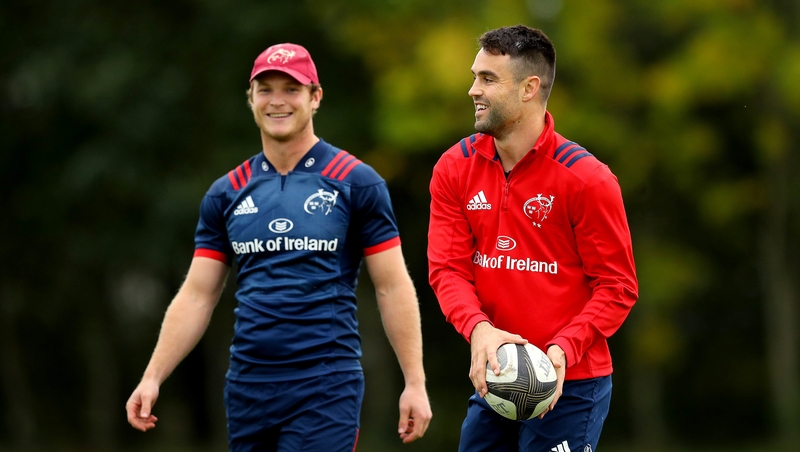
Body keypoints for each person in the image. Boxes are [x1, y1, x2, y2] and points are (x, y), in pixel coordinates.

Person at [126, 42, 432, 451]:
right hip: (248, 388)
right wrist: (152, 376)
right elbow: (198, 294)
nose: (277, 101)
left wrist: (415, 382)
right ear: (250, 99)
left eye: (291, 89)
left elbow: (392, 286)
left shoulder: (357, 182)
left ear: (315, 97)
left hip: (327, 385)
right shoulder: (227, 192)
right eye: (265, 89)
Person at [427, 25, 637, 452]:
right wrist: (479, 330)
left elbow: (618, 287)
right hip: (497, 379)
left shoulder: (587, 180)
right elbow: (447, 269)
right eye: (474, 76)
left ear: (529, 88)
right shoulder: (454, 167)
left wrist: (562, 350)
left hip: (572, 382)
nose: (473, 90)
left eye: (487, 79)